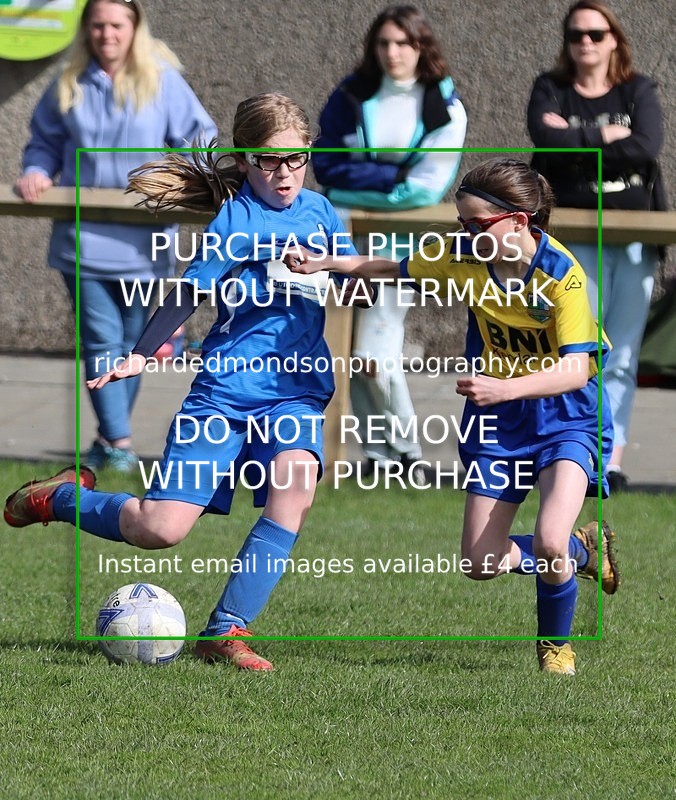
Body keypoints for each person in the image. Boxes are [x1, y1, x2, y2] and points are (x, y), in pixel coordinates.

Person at [5, 92, 360, 672]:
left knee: (294, 488)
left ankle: (225, 632)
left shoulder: (320, 211)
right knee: (160, 530)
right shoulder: (235, 220)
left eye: (297, 159)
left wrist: (335, 268)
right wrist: (141, 356)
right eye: (271, 160)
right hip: (226, 391)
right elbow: (190, 292)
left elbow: (353, 284)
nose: (286, 173)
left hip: (295, 389)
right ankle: (61, 498)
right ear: (244, 160)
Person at [285, 158, 620, 675]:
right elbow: (393, 268)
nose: (465, 234)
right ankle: (579, 549)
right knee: (481, 564)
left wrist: (506, 386)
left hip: (565, 414)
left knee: (549, 537)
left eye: (477, 225)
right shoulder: (464, 256)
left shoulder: (563, 278)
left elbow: (576, 370)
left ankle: (556, 645)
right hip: (499, 420)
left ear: (520, 221)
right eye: (461, 223)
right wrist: (325, 263)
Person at [15, 0, 216, 472]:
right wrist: (37, 171)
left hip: (144, 242)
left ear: (135, 28)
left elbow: (199, 139)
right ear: (86, 30)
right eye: (98, 25)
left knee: (134, 345)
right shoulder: (69, 83)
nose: (107, 34)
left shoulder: (163, 81)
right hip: (81, 240)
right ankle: (122, 444)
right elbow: (43, 142)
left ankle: (107, 440)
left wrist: (186, 181)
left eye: (116, 25)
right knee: (101, 338)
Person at [312, 4, 467, 485]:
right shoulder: (351, 95)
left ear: (423, 45)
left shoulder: (444, 106)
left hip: (401, 248)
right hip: (341, 238)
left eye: (403, 42)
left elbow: (425, 188)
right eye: (383, 42)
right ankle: (380, 457)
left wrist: (375, 182)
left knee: (375, 351)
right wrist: (391, 175)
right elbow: (326, 169)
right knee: (350, 349)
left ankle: (407, 451)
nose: (392, 52)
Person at [527, 0, 666, 493]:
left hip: (633, 241)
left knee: (622, 354)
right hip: (574, 238)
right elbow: (544, 140)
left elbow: (646, 146)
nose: (585, 42)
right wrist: (607, 134)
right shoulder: (552, 88)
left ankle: (610, 459)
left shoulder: (637, 89)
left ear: (614, 40)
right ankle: (573, 452)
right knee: (575, 349)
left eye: (595, 33)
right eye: (576, 34)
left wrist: (578, 141)